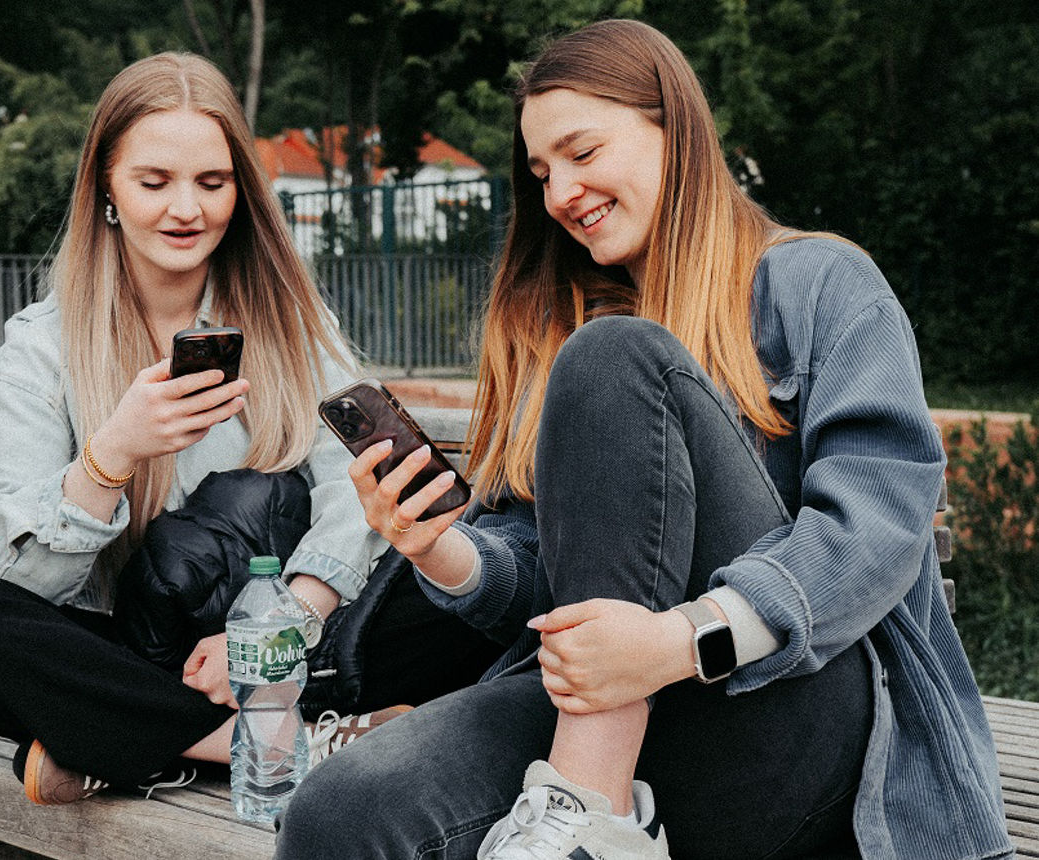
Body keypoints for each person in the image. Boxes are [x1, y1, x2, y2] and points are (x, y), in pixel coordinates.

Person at [275, 19, 1014, 860]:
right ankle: (590, 813)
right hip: (619, 725)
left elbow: (873, 529)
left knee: (616, 357)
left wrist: (675, 641)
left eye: (582, 153)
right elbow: (553, 588)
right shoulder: (566, 322)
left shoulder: (821, 285)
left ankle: (588, 808)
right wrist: (441, 548)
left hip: (796, 727)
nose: (558, 193)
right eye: (543, 172)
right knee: (336, 816)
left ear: (675, 129)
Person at [0, 51, 498, 807]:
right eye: (155, 182)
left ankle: (125, 745)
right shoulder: (41, 350)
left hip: (298, 646)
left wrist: (286, 621)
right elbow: (6, 582)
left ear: (241, 191)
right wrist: (108, 458)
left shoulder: (293, 324)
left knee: (487, 588)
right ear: (106, 188)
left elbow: (363, 483)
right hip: (138, 657)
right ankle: (270, 745)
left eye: (212, 183)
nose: (187, 208)